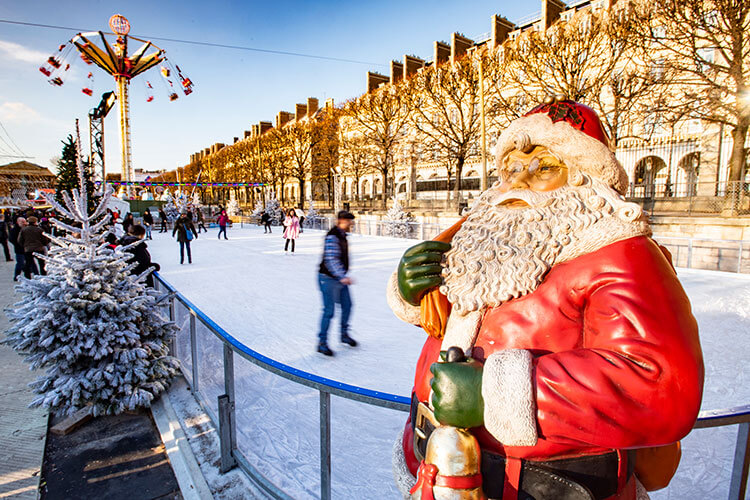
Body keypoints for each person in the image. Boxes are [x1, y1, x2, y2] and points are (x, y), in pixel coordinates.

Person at [388, 99, 704, 500]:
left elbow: (656, 380)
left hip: (536, 485)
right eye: (512, 168)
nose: (519, 181)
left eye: (543, 168)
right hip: (434, 467)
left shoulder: (621, 255)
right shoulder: (483, 234)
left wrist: (493, 392)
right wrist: (414, 292)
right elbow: (472, 325)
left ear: (585, 177)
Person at [316, 210, 357, 356]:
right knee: (329, 311)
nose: (351, 224)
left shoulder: (342, 235)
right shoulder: (333, 236)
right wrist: (342, 276)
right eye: (349, 221)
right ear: (342, 221)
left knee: (347, 306)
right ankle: (322, 343)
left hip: (339, 278)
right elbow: (331, 259)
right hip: (328, 279)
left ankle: (344, 335)